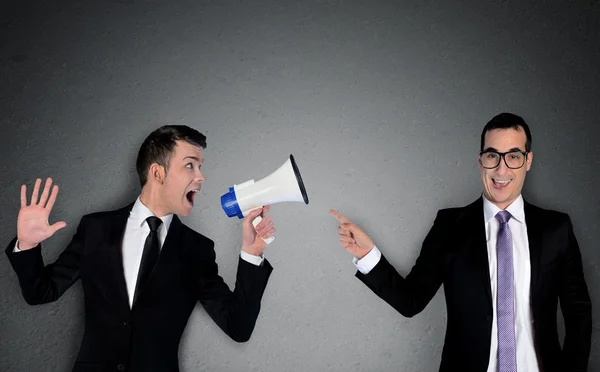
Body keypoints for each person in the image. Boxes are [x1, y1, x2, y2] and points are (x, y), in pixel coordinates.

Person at [330, 113, 592, 372]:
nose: (502, 169)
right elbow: (410, 301)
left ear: (528, 161)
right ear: (480, 161)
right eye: (492, 156)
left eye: (513, 156)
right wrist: (367, 254)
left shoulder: (556, 228)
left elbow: (578, 313)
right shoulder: (449, 227)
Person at [6, 125, 276, 372]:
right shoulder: (96, 229)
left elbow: (238, 327)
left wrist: (251, 255)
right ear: (158, 172)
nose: (201, 177)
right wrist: (28, 245)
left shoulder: (197, 250)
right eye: (190, 165)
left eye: (200, 166)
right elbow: (41, 292)